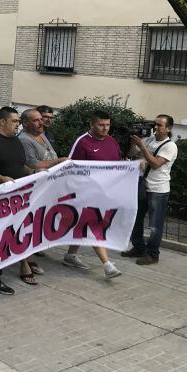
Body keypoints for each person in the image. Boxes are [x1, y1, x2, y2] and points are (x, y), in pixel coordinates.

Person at [0, 107, 38, 289]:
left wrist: (35, 173)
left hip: (19, 196)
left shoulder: (15, 141)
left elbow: (21, 165)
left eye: (18, 122)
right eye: (14, 121)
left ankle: (23, 264)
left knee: (19, 232)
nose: (17, 125)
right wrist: (1, 178)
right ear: (2, 121)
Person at [63, 110, 122, 279]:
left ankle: (70, 255)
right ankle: (107, 264)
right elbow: (71, 167)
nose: (105, 128)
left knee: (89, 224)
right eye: (101, 125)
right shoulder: (82, 142)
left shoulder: (112, 141)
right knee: (93, 224)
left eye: (108, 125)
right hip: (87, 193)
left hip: (107, 192)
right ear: (92, 124)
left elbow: (117, 164)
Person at [123, 114, 178, 265]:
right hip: (142, 186)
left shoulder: (170, 146)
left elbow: (154, 164)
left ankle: (153, 254)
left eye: (160, 125)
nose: (156, 127)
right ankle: (138, 247)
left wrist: (142, 146)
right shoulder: (149, 140)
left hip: (158, 190)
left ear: (169, 128)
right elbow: (131, 154)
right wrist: (133, 142)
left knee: (155, 225)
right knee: (136, 218)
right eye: (155, 124)